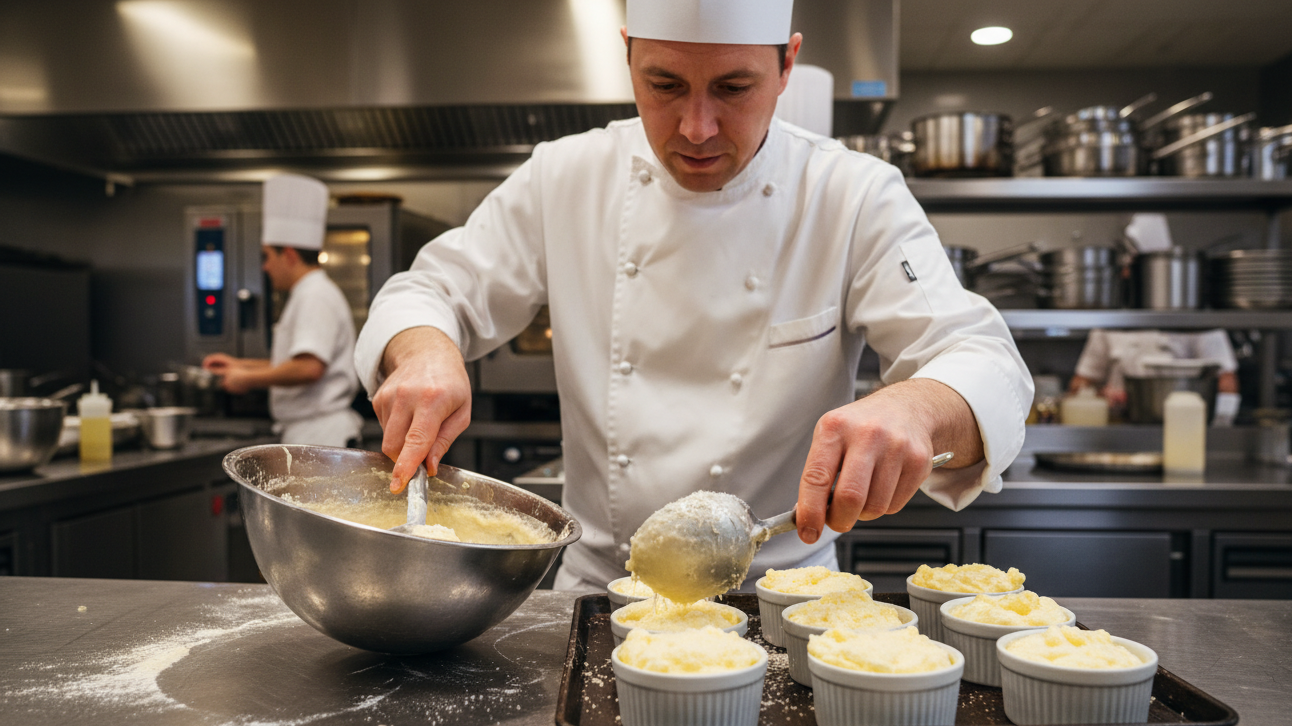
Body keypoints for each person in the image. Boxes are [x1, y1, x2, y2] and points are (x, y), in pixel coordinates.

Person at [353, 0, 1033, 592]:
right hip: (601, 593)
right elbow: (432, 290)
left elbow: (982, 358)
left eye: (734, 87)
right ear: (627, 56)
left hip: (786, 601)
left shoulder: (852, 194)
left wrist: (918, 406)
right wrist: (423, 354)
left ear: (787, 66)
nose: (697, 127)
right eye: (665, 84)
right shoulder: (566, 176)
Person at [203, 174, 363, 448]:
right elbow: (293, 361)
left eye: (267, 256)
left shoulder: (315, 296)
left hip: (322, 439)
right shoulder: (307, 293)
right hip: (314, 437)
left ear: (288, 255)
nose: (265, 267)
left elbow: (309, 368)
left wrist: (247, 378)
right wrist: (238, 364)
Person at [1069, 329, 1240, 419]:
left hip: (1184, 426)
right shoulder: (1109, 322)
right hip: (1120, 426)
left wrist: (1218, 429)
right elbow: (1079, 384)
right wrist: (1100, 396)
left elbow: (1226, 384)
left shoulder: (1198, 318)